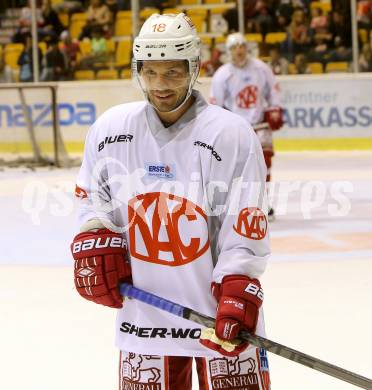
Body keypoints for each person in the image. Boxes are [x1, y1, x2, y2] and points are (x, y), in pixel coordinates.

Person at [71, 13, 271, 390]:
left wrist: (239, 282)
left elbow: (245, 219)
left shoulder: (231, 135)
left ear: (193, 69)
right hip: (146, 314)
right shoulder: (110, 129)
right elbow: (93, 197)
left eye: (173, 73)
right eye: (150, 72)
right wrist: (93, 236)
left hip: (218, 317)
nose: (160, 85)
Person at [210, 32, 284, 220]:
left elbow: (273, 89)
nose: (239, 51)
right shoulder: (222, 74)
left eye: (241, 46)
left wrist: (275, 108)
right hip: (237, 128)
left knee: (265, 164)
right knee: (234, 166)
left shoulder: (261, 68)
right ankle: (238, 203)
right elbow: (216, 103)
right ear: (229, 51)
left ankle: (263, 202)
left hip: (260, 124)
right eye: (234, 48)